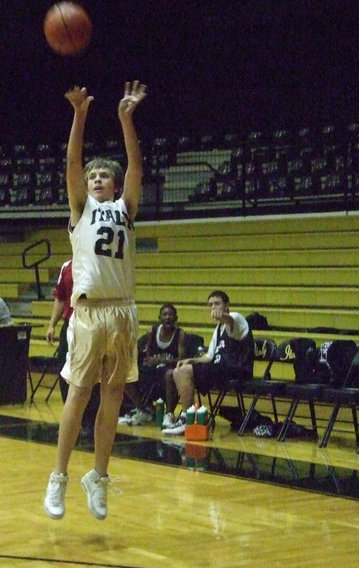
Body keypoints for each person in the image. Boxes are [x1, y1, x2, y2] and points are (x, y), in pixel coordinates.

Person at [43, 80, 147, 521]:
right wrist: (80, 115)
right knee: (79, 396)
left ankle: (97, 477)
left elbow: (137, 164)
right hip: (87, 313)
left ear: (115, 182)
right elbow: (71, 160)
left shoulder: (126, 208)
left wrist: (126, 119)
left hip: (122, 311)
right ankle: (59, 477)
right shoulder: (80, 210)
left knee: (115, 397)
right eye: (92, 176)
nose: (97, 179)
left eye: (104, 174)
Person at [162, 290, 254, 435]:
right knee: (179, 369)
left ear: (227, 305)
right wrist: (192, 359)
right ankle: (188, 416)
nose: (213, 307)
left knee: (185, 371)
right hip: (219, 369)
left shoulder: (237, 318)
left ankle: (188, 419)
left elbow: (231, 320)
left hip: (237, 369)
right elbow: (210, 356)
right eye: (210, 305)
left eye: (217, 304)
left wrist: (223, 316)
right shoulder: (218, 329)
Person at [46, 258, 99, 439]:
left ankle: (90, 422)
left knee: (90, 375)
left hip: (92, 322)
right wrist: (52, 324)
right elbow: (60, 297)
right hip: (70, 323)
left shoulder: (97, 262)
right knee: (64, 373)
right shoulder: (66, 266)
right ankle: (72, 421)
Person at [121, 303, 187, 425]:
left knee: (169, 374)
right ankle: (142, 409)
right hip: (153, 369)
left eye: (171, 315)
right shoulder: (152, 331)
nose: (167, 317)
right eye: (165, 314)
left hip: (170, 368)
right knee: (126, 374)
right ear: (159, 318)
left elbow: (181, 360)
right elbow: (148, 355)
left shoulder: (180, 334)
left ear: (176, 318)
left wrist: (161, 361)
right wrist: (148, 360)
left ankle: (169, 414)